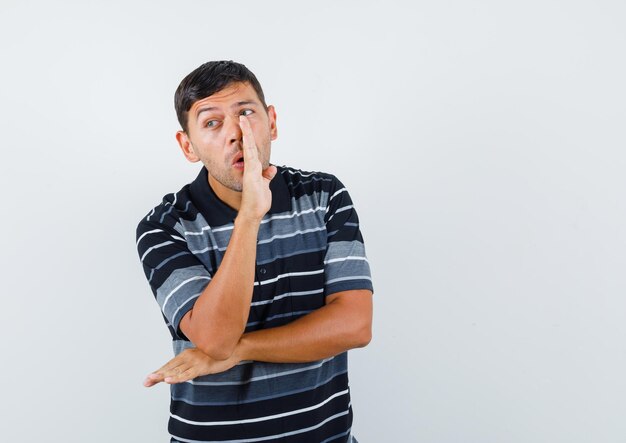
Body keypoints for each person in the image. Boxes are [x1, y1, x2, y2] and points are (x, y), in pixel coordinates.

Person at [135, 60, 373, 443]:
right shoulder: (165, 226)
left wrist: (240, 350)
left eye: (246, 113)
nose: (236, 133)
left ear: (272, 122)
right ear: (187, 145)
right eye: (212, 123)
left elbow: (355, 325)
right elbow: (214, 340)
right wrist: (250, 216)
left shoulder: (324, 196)